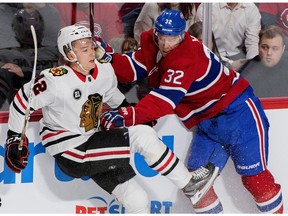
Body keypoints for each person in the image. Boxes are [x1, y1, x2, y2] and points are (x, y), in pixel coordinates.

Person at [4, 24, 219, 213]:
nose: (91, 53)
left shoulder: (104, 71)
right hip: (72, 152)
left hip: (93, 146)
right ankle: (190, 184)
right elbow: (22, 100)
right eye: (84, 49)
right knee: (142, 136)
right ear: (70, 55)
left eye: (92, 47)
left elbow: (114, 98)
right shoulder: (55, 80)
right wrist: (14, 138)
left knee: (137, 201)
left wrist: (133, 115)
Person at [96, 9, 284, 213]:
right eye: (163, 37)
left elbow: (163, 101)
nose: (166, 44)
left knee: (256, 181)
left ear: (182, 34)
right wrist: (109, 59)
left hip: (238, 112)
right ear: (156, 32)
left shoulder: (187, 56)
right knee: (196, 187)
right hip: (208, 123)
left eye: (173, 38)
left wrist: (127, 115)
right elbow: (133, 67)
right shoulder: (152, 41)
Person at [196, 3, 261, 71]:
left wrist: (251, 66)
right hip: (211, 55)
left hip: (237, 55)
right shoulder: (206, 8)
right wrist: (229, 63)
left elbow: (252, 44)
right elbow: (203, 47)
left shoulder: (251, 9)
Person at [240, 25, 288, 98]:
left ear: (283, 49)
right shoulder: (248, 72)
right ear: (258, 47)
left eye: (275, 48)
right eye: (265, 47)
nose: (269, 53)